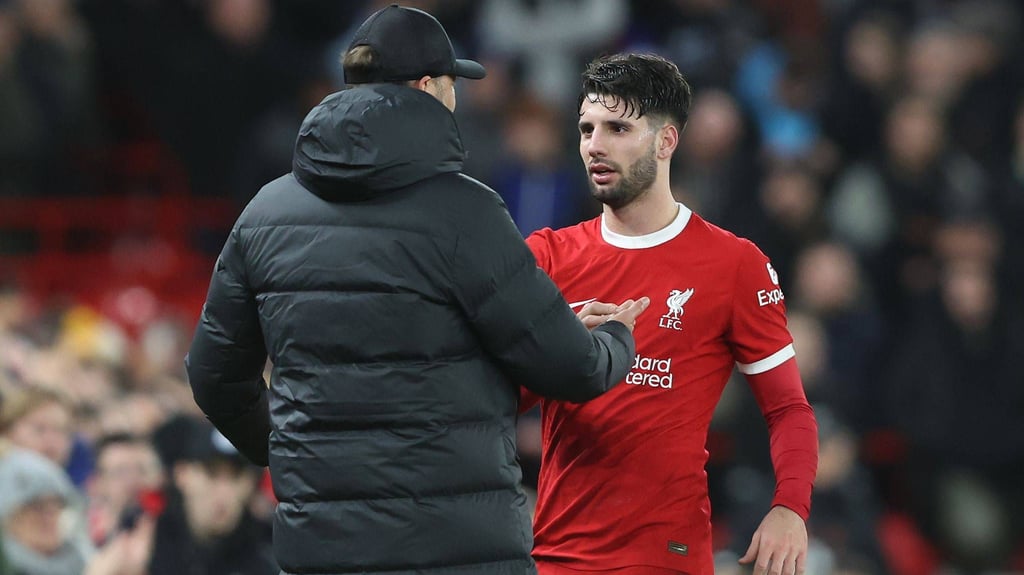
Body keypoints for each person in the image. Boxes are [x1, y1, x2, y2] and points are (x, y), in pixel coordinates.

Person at [184, 5, 649, 575]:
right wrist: (617, 339)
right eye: (454, 83)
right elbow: (571, 369)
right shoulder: (466, 211)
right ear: (429, 87)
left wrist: (284, 452)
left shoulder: (264, 212)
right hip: (457, 551)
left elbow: (213, 373)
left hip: (322, 550)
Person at [521, 53, 819, 575]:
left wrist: (790, 507)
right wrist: (561, 351)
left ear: (666, 142)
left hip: (668, 558)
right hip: (555, 555)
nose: (594, 144)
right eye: (586, 128)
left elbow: (788, 409)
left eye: (617, 127)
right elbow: (496, 395)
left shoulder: (734, 265)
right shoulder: (545, 256)